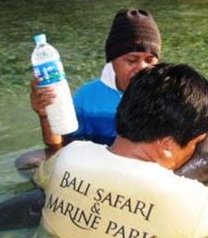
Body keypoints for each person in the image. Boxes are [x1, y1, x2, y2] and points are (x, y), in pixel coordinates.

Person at [31, 63, 208, 238]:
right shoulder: (195, 204)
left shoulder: (67, 157)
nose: (194, 151)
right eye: (196, 142)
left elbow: (43, 177)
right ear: (167, 143)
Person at [30, 8, 161, 151]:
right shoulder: (86, 99)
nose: (142, 68)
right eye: (132, 60)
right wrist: (47, 116)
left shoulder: (168, 99)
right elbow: (60, 147)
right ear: (112, 60)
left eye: (149, 60)